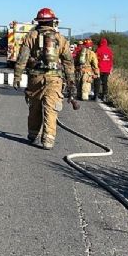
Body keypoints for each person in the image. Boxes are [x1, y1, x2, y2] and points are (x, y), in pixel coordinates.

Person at [13, 8, 76, 150]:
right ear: (53, 21)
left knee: (34, 107)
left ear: (38, 21)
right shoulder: (60, 38)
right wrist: (71, 83)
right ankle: (48, 140)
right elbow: (68, 62)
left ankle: (32, 134)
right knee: (51, 109)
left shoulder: (31, 36)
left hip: (35, 78)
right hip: (54, 79)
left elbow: (22, 58)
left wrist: (17, 76)